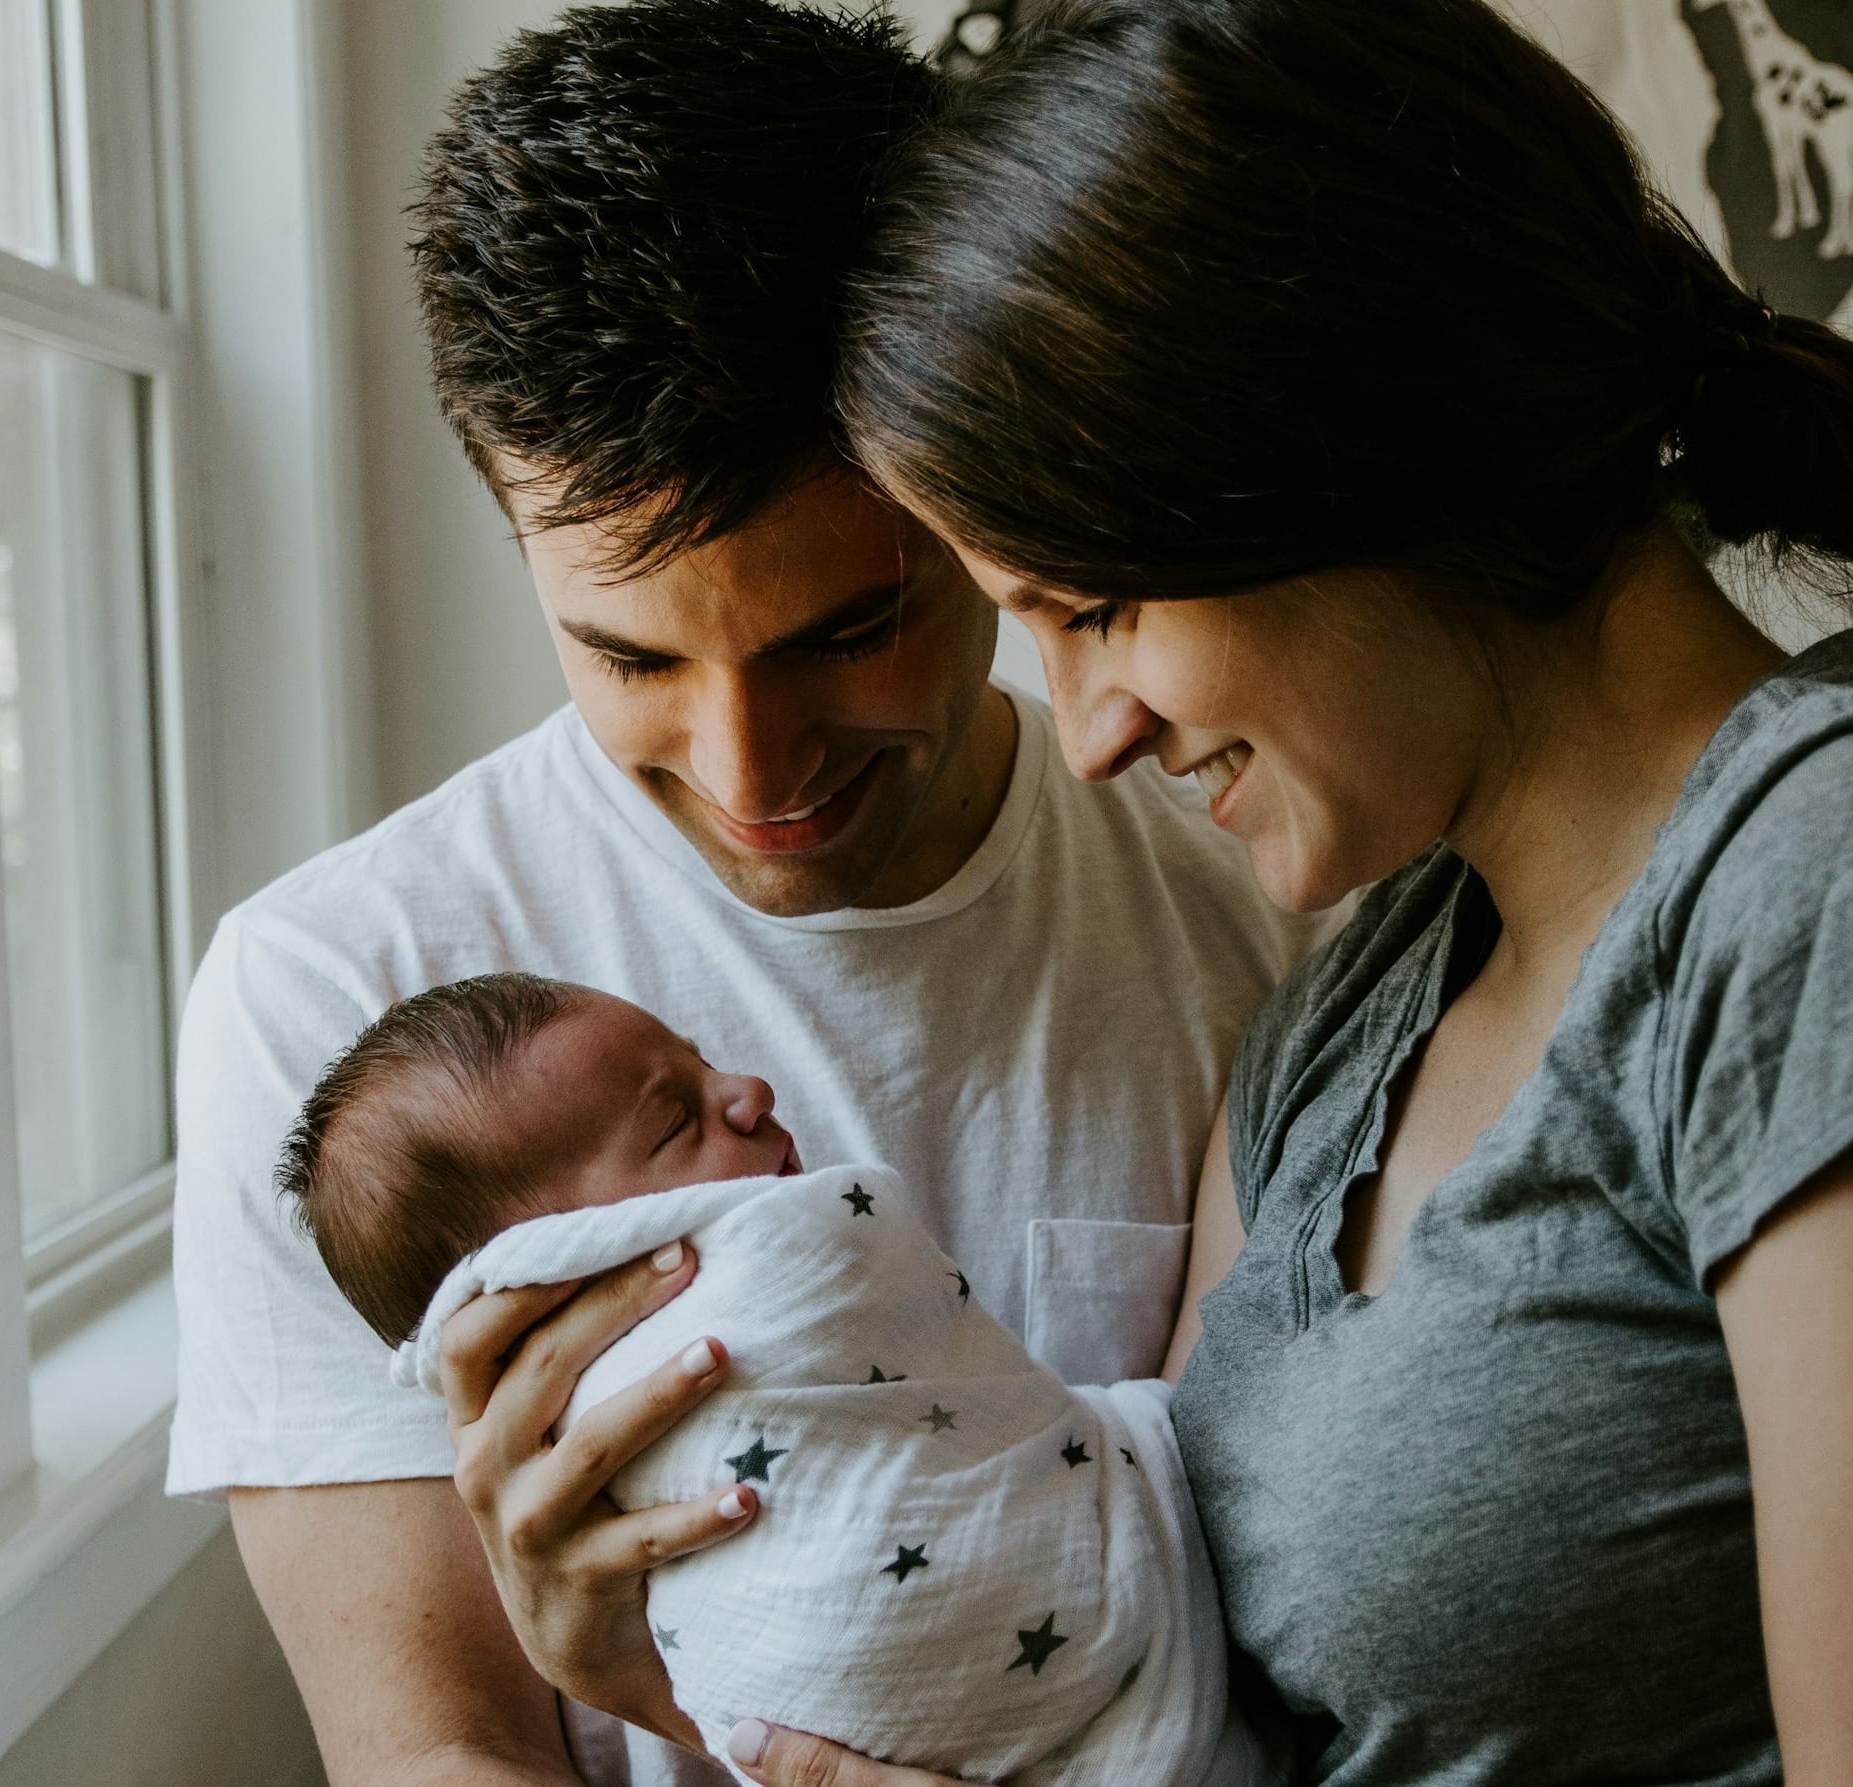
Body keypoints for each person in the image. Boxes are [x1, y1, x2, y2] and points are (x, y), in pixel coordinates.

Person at [440, 0, 1853, 1783]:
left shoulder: (1809, 885)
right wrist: (698, 1684)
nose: (1088, 731)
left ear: (1366, 455)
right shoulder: (1369, 997)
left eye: (1098, 609)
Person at [162, 3, 1321, 1784]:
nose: (751, 771)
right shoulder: (336, 998)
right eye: (627, 657)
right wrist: (644, 1687)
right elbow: (432, 1755)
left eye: (848, 631)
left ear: (981, 496)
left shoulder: (1263, 906)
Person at [279, 971, 1270, 1786]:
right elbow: (430, 1751)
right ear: (564, 1259)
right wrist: (613, 1669)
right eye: (673, 1121)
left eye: (700, 1060)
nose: (747, 1087)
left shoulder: (1229, 940)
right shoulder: (307, 969)